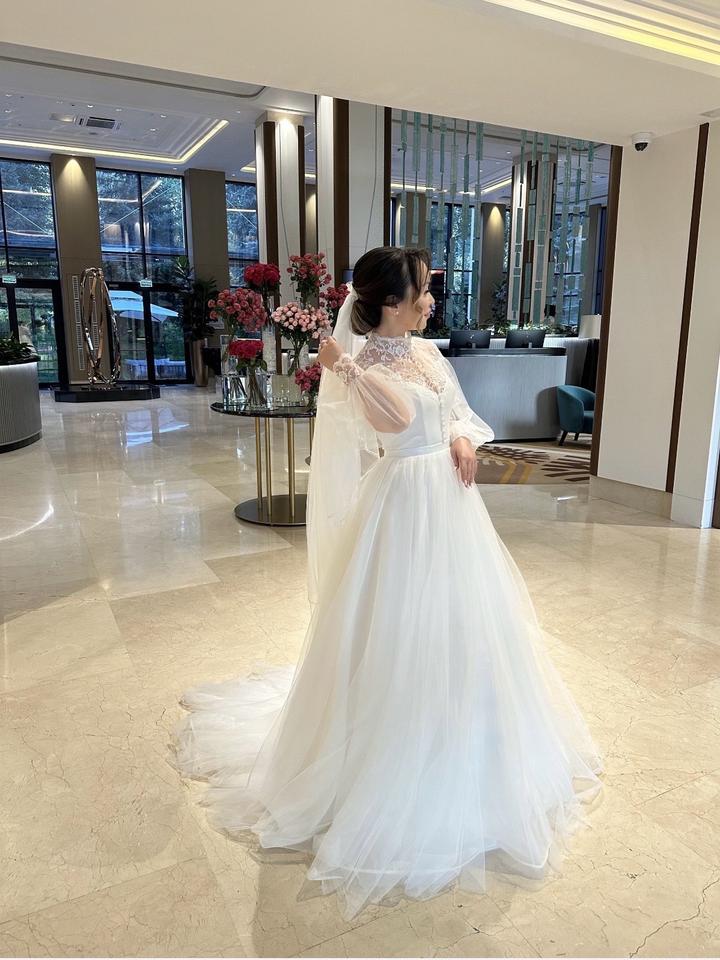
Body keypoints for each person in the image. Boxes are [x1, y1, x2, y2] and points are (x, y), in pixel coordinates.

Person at [169, 246, 603, 921]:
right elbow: (396, 424)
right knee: (398, 624)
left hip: (450, 503)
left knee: (463, 622)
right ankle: (392, 751)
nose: (431, 300)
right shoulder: (363, 364)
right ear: (391, 302)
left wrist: (463, 439)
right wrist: (343, 366)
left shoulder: (426, 351)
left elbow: (454, 410)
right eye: (422, 291)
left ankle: (472, 740)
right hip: (402, 503)